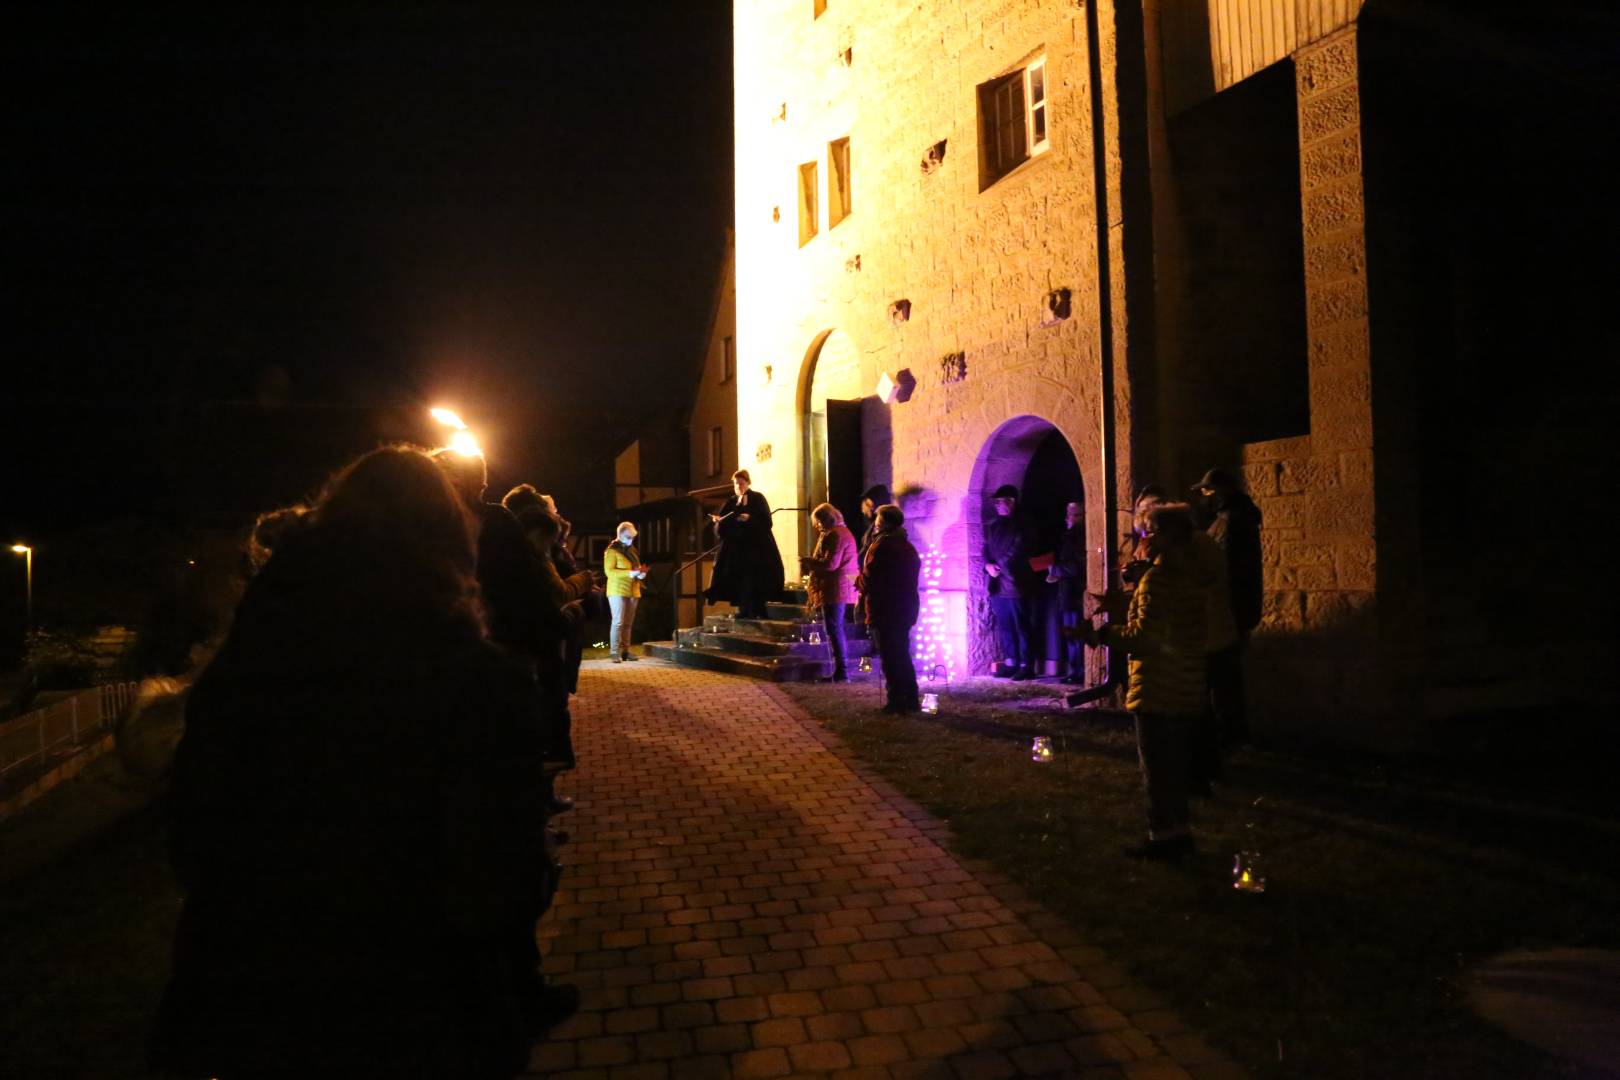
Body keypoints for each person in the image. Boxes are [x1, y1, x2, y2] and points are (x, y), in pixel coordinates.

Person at [151, 447, 558, 1079]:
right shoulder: (475, 686)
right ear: (449, 546)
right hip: (421, 1017)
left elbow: (191, 842)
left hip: (255, 1008)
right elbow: (504, 885)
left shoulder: (250, 671)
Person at [1072, 503, 1215, 860]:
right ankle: (1180, 834)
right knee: (1175, 767)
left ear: (1164, 537)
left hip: (1159, 684)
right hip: (1187, 681)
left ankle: (1164, 839)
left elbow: (1144, 637)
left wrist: (1105, 633)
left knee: (1157, 768)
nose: (1142, 542)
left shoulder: (1158, 580)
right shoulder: (1192, 575)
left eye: (1147, 533)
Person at [1191, 468, 1263, 746]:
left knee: (1223, 679)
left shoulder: (1231, 521)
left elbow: (1226, 570)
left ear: (1222, 491)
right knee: (1225, 678)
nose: (1204, 497)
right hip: (1232, 610)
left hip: (1228, 611)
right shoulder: (1230, 518)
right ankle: (1230, 735)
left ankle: (1230, 737)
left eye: (1208, 491)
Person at [860, 503, 921, 714]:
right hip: (904, 607)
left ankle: (896, 700)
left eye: (877, 519)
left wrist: (858, 582)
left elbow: (871, 577)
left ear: (883, 522)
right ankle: (911, 698)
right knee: (902, 654)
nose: (874, 523)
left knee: (890, 656)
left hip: (885, 608)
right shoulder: (906, 545)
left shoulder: (883, 545)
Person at [704, 469, 784, 619]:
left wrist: (750, 519)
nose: (739, 487)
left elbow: (767, 522)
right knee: (739, 580)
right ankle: (743, 609)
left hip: (756, 550)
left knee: (754, 580)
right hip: (736, 551)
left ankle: (757, 610)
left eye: (741, 483)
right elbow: (723, 525)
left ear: (747, 483)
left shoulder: (758, 498)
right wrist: (719, 522)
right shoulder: (731, 501)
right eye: (736, 484)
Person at [983, 483, 1039, 679]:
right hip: (998, 584)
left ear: (1012, 502)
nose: (997, 505)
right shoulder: (995, 526)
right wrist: (988, 565)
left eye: (1001, 502)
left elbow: (1019, 548)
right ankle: (1010, 662)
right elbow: (987, 548)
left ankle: (1026, 665)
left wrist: (1000, 566)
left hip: (1016, 582)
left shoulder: (1024, 523)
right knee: (1005, 625)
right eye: (996, 502)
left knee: (1021, 625)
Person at [801, 502, 859, 682]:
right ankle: (841, 671)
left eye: (818, 522)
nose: (817, 526)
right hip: (838, 587)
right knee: (835, 629)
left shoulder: (835, 535)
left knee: (834, 629)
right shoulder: (842, 532)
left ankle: (842, 672)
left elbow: (830, 564)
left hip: (834, 588)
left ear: (826, 519)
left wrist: (809, 562)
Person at [1047, 501, 1087, 684]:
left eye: (1073, 514)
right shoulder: (1069, 537)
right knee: (1071, 634)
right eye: (1068, 514)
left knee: (1075, 634)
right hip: (1068, 593)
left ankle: (1078, 671)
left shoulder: (1076, 538)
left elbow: (1077, 567)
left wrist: (1056, 570)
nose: (1068, 518)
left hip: (1074, 593)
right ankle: (1075, 670)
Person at [603, 521, 647, 663]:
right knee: (618, 622)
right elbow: (609, 571)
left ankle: (626, 651)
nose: (630, 540)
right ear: (620, 535)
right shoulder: (612, 550)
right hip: (617, 589)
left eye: (633, 538)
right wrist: (630, 573)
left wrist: (640, 574)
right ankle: (614, 652)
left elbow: (637, 567)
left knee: (628, 622)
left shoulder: (631, 551)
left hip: (633, 589)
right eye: (628, 537)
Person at [857, 484, 891, 562]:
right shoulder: (882, 526)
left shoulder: (877, 527)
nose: (861, 506)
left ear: (869, 502)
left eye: (864, 501)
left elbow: (866, 551)